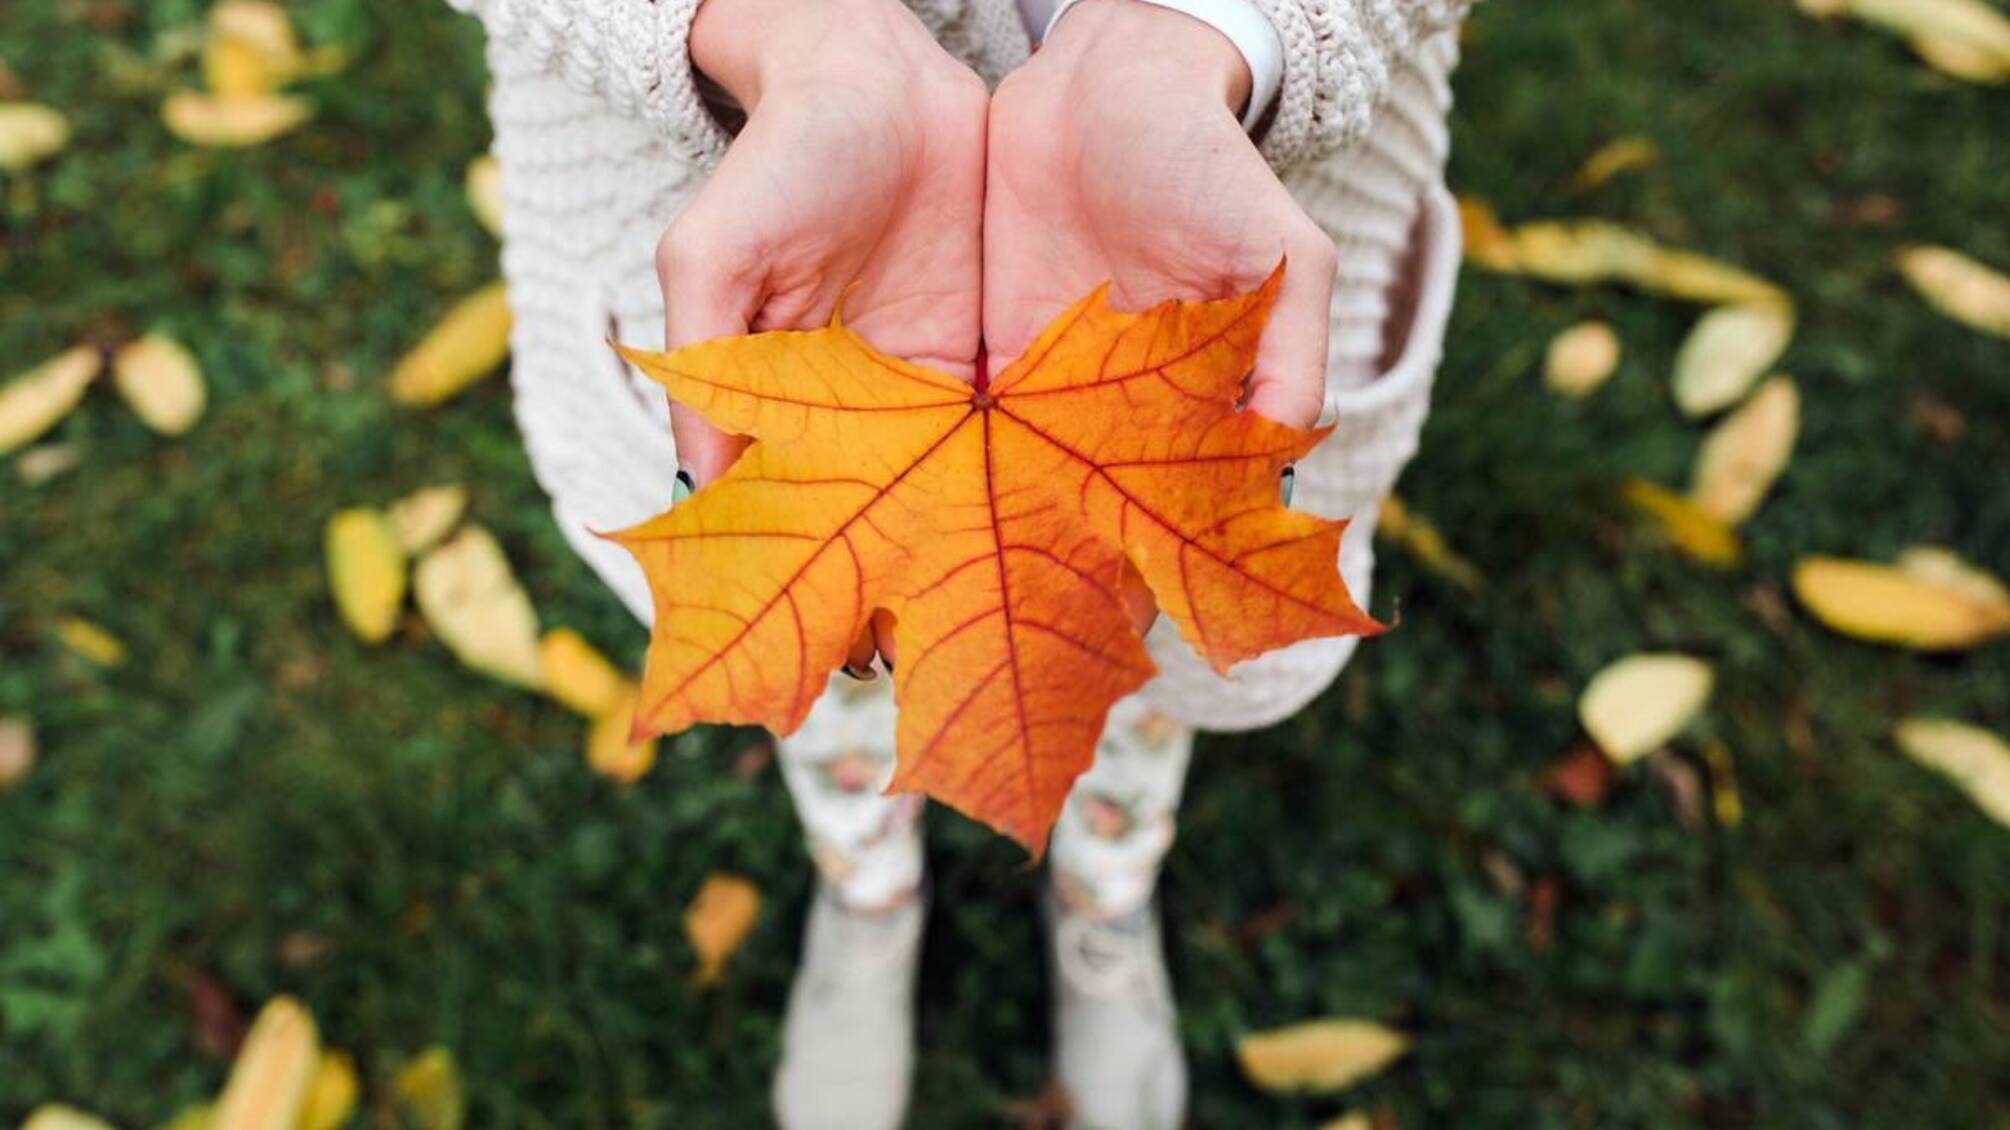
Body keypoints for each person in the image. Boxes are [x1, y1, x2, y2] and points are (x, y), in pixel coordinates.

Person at [442, 0, 1471, 1125]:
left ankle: (1103, 895)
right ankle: (869, 890)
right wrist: (782, 32)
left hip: (1192, 226)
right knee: (832, 672)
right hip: (749, 218)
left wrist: (1207, 35)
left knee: (1145, 666)